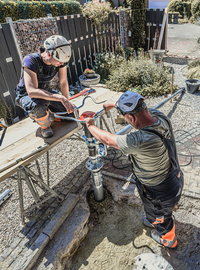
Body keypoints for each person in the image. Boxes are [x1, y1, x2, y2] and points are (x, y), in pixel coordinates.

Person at [84, 90, 183, 248]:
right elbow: (134, 109)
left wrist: (89, 125)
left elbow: (108, 140)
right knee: (158, 212)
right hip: (173, 178)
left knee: (161, 217)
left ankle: (168, 239)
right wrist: (114, 104)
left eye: (126, 118)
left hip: (159, 192)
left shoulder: (141, 140)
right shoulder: (160, 117)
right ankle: (155, 218)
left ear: (131, 117)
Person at [15, 35, 75, 138]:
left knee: (70, 116)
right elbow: (31, 91)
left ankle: (48, 114)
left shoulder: (60, 62)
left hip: (45, 92)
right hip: (27, 96)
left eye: (63, 62)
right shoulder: (30, 60)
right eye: (59, 61)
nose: (61, 64)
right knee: (38, 105)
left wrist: (66, 102)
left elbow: (63, 82)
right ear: (48, 53)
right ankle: (44, 126)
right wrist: (59, 97)